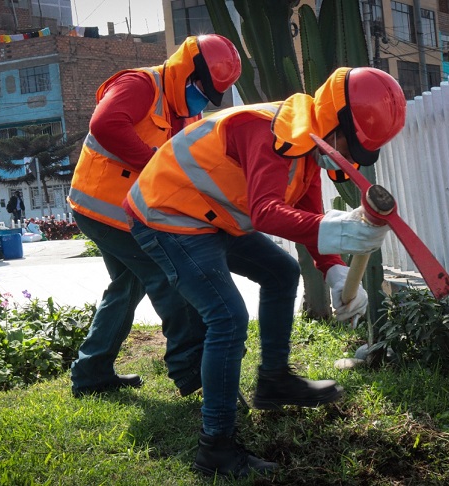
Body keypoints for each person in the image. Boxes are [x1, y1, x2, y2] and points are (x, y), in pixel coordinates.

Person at [124, 67, 406, 477]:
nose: (346, 156)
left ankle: (274, 381)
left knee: (281, 272)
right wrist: (336, 230)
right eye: (350, 144)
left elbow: (306, 212)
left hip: (208, 215)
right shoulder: (267, 130)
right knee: (227, 317)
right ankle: (215, 449)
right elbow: (267, 212)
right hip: (166, 215)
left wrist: (334, 271)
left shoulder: (304, 145)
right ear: (335, 119)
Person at [67, 34, 242, 396]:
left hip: (128, 211)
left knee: (127, 287)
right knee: (165, 275)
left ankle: (91, 373)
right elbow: (105, 125)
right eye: (200, 87)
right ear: (185, 69)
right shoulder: (141, 84)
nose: (202, 98)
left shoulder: (184, 109)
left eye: (209, 94)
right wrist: (155, 166)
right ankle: (189, 369)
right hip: (104, 210)